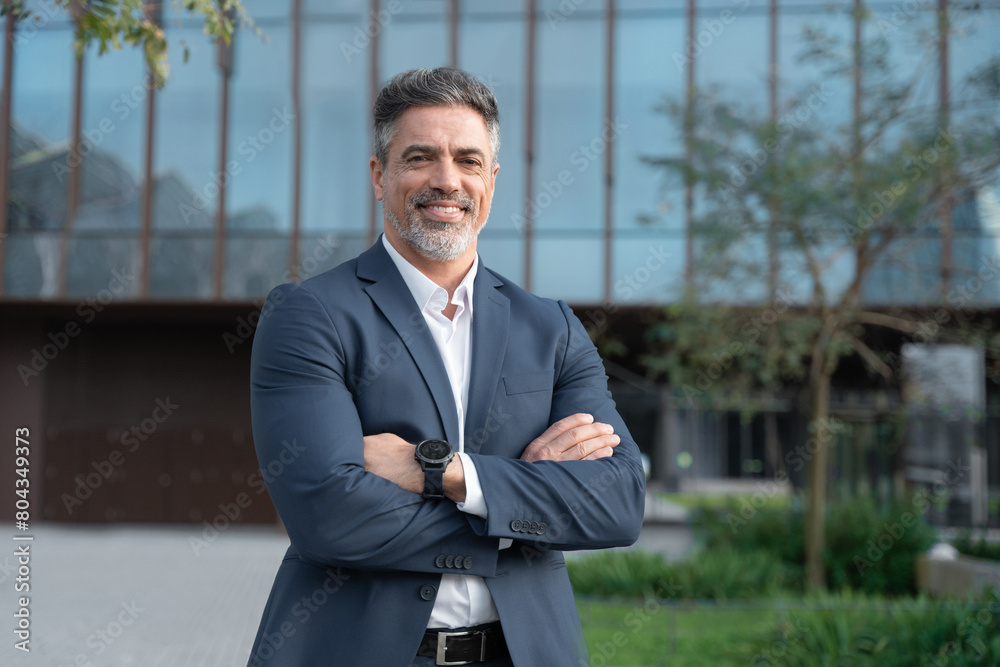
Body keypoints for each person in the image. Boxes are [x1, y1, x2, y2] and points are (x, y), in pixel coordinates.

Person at [247, 67, 645, 667]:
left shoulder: (552, 328)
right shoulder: (311, 316)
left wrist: (448, 474)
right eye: (420, 157)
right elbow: (328, 516)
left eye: (468, 160)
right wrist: (521, 512)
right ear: (380, 176)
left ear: (493, 180)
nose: (446, 180)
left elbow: (618, 502)